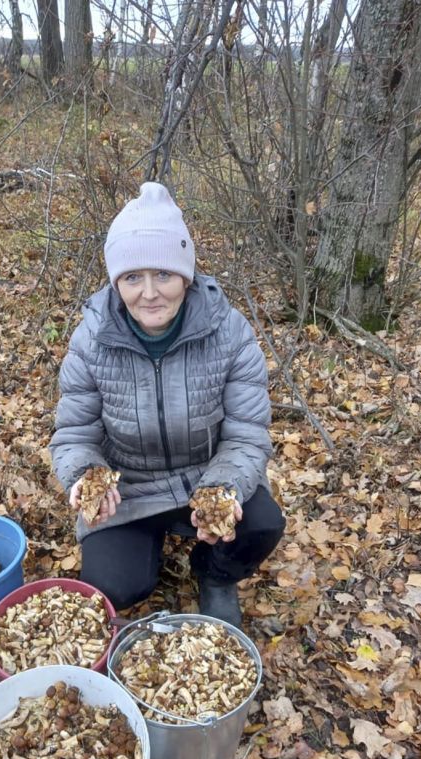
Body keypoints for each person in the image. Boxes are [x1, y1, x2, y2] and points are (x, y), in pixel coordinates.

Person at [49, 182, 285, 628]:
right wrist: (83, 475)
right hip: (130, 491)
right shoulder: (92, 339)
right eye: (133, 277)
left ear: (186, 276)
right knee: (114, 586)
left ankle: (214, 575)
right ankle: (144, 547)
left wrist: (224, 487)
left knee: (261, 523)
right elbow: (75, 433)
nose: (150, 293)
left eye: (164, 274)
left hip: (205, 476)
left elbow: (247, 434)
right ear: (116, 281)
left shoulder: (228, 333)